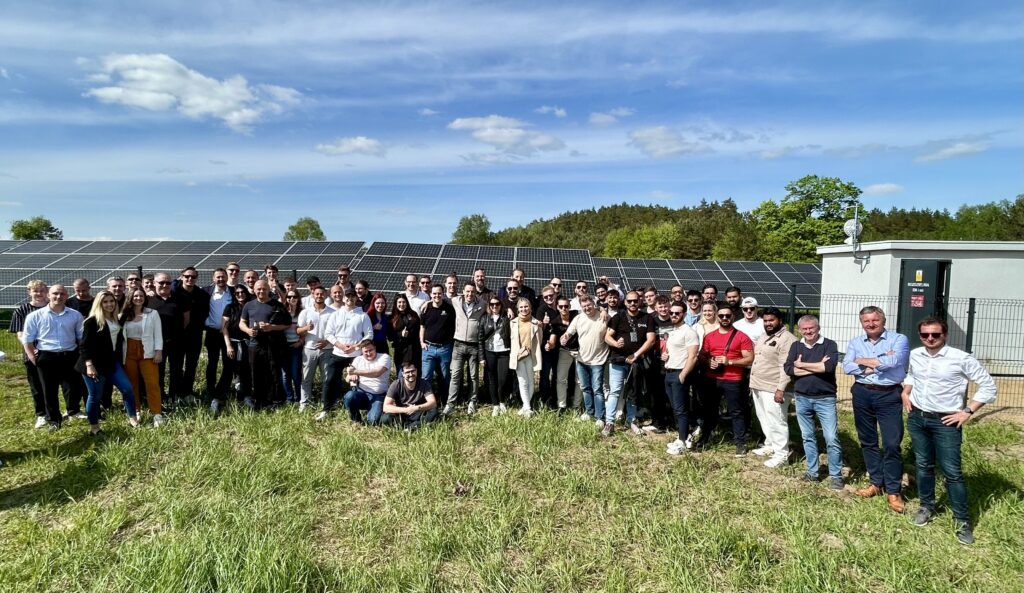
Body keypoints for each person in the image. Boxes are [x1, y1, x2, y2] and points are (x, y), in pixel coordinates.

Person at [903, 316, 997, 545]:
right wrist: (906, 392)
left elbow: (988, 386)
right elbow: (912, 375)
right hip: (917, 418)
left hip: (946, 422)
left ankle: (962, 521)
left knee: (952, 472)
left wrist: (967, 411)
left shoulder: (960, 358)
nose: (930, 338)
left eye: (935, 334)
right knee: (923, 465)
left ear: (944, 335)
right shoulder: (916, 354)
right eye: (925, 335)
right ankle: (926, 506)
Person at [843, 306, 910, 513]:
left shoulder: (899, 340)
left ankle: (893, 490)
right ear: (861, 322)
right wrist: (879, 362)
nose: (871, 324)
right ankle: (875, 483)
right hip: (862, 393)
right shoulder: (855, 342)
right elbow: (846, 366)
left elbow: (895, 361)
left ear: (883, 320)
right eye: (866, 321)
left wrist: (861, 361)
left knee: (891, 443)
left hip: (889, 395)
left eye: (875, 320)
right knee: (868, 441)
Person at [786, 315, 843, 488]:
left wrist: (801, 365)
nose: (808, 331)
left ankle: (836, 475)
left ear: (818, 328)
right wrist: (817, 366)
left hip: (825, 399)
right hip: (802, 398)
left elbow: (829, 368)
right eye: (804, 329)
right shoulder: (796, 345)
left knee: (831, 437)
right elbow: (789, 368)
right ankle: (812, 472)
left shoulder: (829, 344)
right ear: (799, 330)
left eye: (811, 328)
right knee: (807, 436)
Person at [21, 284, 86, 428]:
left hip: (70, 355)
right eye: (55, 293)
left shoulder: (75, 315)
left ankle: (73, 411)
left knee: (73, 387)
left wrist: (82, 355)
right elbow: (27, 340)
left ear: (66, 296)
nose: (59, 296)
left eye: (62, 294)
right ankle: (54, 420)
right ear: (48, 295)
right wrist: (33, 358)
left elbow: (80, 337)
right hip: (46, 357)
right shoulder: (35, 316)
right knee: (49, 390)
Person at [76, 291, 139, 434]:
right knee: (95, 396)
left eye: (112, 301)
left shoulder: (116, 319)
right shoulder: (92, 322)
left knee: (127, 388)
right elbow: (84, 345)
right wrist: (89, 365)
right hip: (94, 364)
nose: (109, 304)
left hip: (111, 362)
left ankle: (132, 419)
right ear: (99, 304)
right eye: (105, 302)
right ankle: (94, 427)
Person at [698, 302, 754, 456]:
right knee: (709, 410)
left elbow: (749, 359)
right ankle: (705, 437)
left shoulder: (742, 337)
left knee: (737, 412)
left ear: (732, 317)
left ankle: (740, 443)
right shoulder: (710, 336)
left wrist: (729, 361)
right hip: (712, 378)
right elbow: (702, 354)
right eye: (721, 315)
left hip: (733, 379)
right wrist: (709, 361)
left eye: (727, 316)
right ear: (717, 317)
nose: (724, 318)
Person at [750, 307, 797, 469]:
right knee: (763, 416)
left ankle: (782, 453)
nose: (768, 323)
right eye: (765, 320)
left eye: (772, 320)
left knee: (777, 420)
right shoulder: (764, 336)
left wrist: (781, 389)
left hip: (774, 387)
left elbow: (786, 366)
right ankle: (770, 444)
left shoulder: (787, 339)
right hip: (759, 384)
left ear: (780, 321)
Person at [605, 290, 657, 434]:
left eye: (635, 301)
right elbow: (607, 337)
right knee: (615, 391)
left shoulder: (647, 318)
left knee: (633, 392)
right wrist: (615, 344)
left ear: (640, 301)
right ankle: (609, 422)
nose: (633, 303)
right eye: (629, 301)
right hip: (618, 360)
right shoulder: (618, 317)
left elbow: (651, 340)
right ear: (625, 302)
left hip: (636, 362)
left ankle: (631, 420)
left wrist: (636, 354)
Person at [318, 290, 373, 420]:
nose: (350, 299)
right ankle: (326, 409)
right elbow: (329, 334)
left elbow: (369, 335)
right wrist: (341, 346)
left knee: (356, 382)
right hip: (337, 353)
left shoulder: (363, 316)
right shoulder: (335, 314)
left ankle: (356, 409)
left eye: (352, 297)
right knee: (329, 381)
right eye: (347, 297)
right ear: (343, 299)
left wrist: (356, 346)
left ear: (356, 299)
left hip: (356, 355)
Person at [561, 295, 610, 432]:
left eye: (589, 305)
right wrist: (564, 338)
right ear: (581, 308)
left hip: (598, 360)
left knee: (597, 389)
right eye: (584, 307)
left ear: (594, 304)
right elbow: (568, 333)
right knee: (585, 388)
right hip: (582, 360)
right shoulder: (578, 318)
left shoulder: (604, 317)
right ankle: (589, 412)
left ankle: (600, 417)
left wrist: (603, 309)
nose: (587, 308)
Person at [239, 280, 291, 409]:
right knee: (256, 372)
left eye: (263, 289)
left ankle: (275, 401)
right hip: (255, 345)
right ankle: (259, 400)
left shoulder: (277, 305)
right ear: (254, 290)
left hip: (273, 345)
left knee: (273, 372)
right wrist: (248, 330)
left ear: (268, 289)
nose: (261, 291)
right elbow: (242, 323)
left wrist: (271, 327)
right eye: (258, 289)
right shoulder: (248, 305)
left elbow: (287, 324)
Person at [120, 288, 165, 425]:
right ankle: (136, 411)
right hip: (129, 352)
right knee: (131, 384)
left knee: (152, 383)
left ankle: (156, 413)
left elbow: (158, 334)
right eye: (135, 296)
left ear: (145, 298)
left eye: (141, 296)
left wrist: (158, 351)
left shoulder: (152, 313)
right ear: (130, 298)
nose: (138, 298)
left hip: (148, 351)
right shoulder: (123, 315)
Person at [9, 280, 51, 428]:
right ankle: (41, 414)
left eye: (41, 290)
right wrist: (31, 348)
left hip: (53, 353)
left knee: (56, 385)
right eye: (35, 291)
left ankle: (61, 411)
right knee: (37, 386)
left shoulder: (53, 307)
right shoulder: (22, 310)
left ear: (47, 291)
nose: (39, 294)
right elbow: (20, 333)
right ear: (29, 292)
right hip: (32, 353)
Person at [662, 302, 700, 455]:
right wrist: (665, 356)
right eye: (671, 313)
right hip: (669, 372)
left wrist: (683, 374)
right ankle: (684, 436)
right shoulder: (673, 332)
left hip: (679, 373)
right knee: (676, 409)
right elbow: (674, 352)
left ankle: (683, 442)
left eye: (677, 313)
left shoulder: (689, 332)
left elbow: (693, 356)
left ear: (684, 314)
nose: (674, 315)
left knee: (681, 409)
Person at [444, 283, 486, 415]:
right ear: (463, 292)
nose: (470, 294)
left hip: (474, 346)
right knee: (455, 375)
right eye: (467, 291)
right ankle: (450, 404)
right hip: (458, 345)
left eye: (472, 292)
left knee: (473, 376)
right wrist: (426, 303)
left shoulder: (483, 304)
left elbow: (494, 309)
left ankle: (472, 402)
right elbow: (438, 299)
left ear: (475, 293)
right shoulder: (456, 301)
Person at [172, 266, 209, 406]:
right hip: (178, 336)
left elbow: (205, 314)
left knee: (191, 366)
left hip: (195, 335)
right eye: (187, 276)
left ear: (196, 278)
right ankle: (176, 393)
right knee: (176, 366)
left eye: (193, 277)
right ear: (181, 276)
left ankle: (187, 393)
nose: (190, 279)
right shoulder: (174, 291)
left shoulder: (202, 295)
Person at [296, 286, 335, 412]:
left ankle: (326, 403)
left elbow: (337, 332)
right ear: (313, 295)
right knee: (306, 378)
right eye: (317, 294)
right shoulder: (305, 312)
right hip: (309, 349)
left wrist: (327, 342)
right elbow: (298, 330)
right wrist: (306, 328)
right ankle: (304, 403)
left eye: (322, 294)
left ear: (326, 295)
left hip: (328, 349)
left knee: (327, 379)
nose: (319, 296)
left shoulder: (333, 313)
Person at [149, 272, 183, 408]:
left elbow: (185, 319)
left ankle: (174, 396)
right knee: (159, 372)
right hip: (156, 344)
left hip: (175, 342)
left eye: (168, 283)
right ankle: (161, 397)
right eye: (161, 282)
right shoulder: (148, 300)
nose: (165, 285)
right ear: (154, 283)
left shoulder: (178, 299)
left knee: (176, 370)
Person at [203, 268, 235, 406]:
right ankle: (210, 390)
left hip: (229, 333)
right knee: (212, 363)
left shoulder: (234, 293)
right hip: (212, 332)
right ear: (213, 278)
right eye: (218, 277)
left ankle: (222, 390)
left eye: (223, 277)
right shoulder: (206, 292)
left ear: (227, 277)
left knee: (229, 363)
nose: (220, 279)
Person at [342, 341, 393, 425]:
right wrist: (350, 377)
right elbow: (347, 378)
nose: (368, 353)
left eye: (371, 350)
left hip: (379, 395)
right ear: (362, 351)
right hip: (362, 393)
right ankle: (356, 420)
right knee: (349, 396)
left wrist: (356, 372)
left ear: (375, 348)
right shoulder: (358, 359)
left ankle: (378, 411)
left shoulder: (384, 357)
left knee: (373, 421)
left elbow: (377, 372)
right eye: (366, 351)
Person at [420, 286, 456, 403]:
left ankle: (445, 401)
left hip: (445, 348)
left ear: (443, 294)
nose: (437, 296)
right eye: (434, 294)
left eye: (439, 293)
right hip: (428, 348)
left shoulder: (449, 309)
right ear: (431, 294)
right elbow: (422, 327)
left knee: (445, 377)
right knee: (426, 377)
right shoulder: (426, 309)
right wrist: (421, 342)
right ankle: (427, 401)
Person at [380, 362, 439, 431]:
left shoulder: (424, 383)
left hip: (417, 412)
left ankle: (410, 427)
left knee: (434, 412)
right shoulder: (396, 384)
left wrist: (416, 408)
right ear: (403, 374)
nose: (411, 374)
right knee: (385, 418)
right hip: (401, 414)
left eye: (413, 371)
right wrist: (406, 410)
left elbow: (433, 403)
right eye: (407, 372)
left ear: (416, 371)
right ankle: (416, 426)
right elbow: (386, 407)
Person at [479, 297, 512, 416]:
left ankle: (502, 401)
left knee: (502, 379)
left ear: (501, 305)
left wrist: (509, 310)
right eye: (492, 304)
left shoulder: (506, 318)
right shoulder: (484, 319)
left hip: (504, 352)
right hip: (489, 352)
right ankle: (495, 404)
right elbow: (480, 339)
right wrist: (481, 357)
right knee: (492, 379)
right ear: (489, 305)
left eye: (497, 304)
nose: (494, 306)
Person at [547, 295, 581, 413]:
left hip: (580, 351)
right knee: (561, 379)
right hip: (564, 351)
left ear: (570, 306)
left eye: (566, 306)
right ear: (557, 307)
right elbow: (553, 338)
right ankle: (562, 405)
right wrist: (550, 344)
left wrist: (602, 311)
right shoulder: (555, 322)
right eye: (561, 306)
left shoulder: (577, 315)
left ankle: (577, 405)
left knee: (579, 380)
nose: (564, 309)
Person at [509, 297, 543, 416]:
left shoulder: (536, 323)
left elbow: (540, 339)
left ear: (530, 308)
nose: (524, 309)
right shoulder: (512, 323)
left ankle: (525, 406)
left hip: (531, 355)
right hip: (518, 356)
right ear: (518, 309)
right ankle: (528, 407)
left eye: (526, 306)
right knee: (522, 381)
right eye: (521, 307)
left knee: (531, 381)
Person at [222, 285, 253, 407]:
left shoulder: (251, 307)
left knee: (246, 371)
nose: (240, 294)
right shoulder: (230, 307)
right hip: (233, 343)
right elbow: (224, 328)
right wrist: (228, 345)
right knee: (228, 371)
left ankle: (246, 396)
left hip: (247, 343)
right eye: (237, 293)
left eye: (242, 292)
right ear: (234, 295)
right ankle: (218, 397)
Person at [280, 290, 304, 405]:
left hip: (296, 346)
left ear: (298, 298)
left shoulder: (302, 313)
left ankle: (299, 398)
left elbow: (306, 330)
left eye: (294, 296)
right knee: (285, 374)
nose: (292, 298)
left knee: (295, 374)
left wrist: (300, 342)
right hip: (284, 346)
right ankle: (289, 398)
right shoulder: (282, 312)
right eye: (289, 297)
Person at [387, 294, 422, 373]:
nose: (401, 304)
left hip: (414, 351)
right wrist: (400, 334)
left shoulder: (413, 315)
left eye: (403, 302)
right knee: (401, 375)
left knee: (415, 374)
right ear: (396, 304)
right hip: (400, 352)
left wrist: (409, 334)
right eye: (399, 302)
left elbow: (418, 331)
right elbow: (390, 336)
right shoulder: (392, 318)